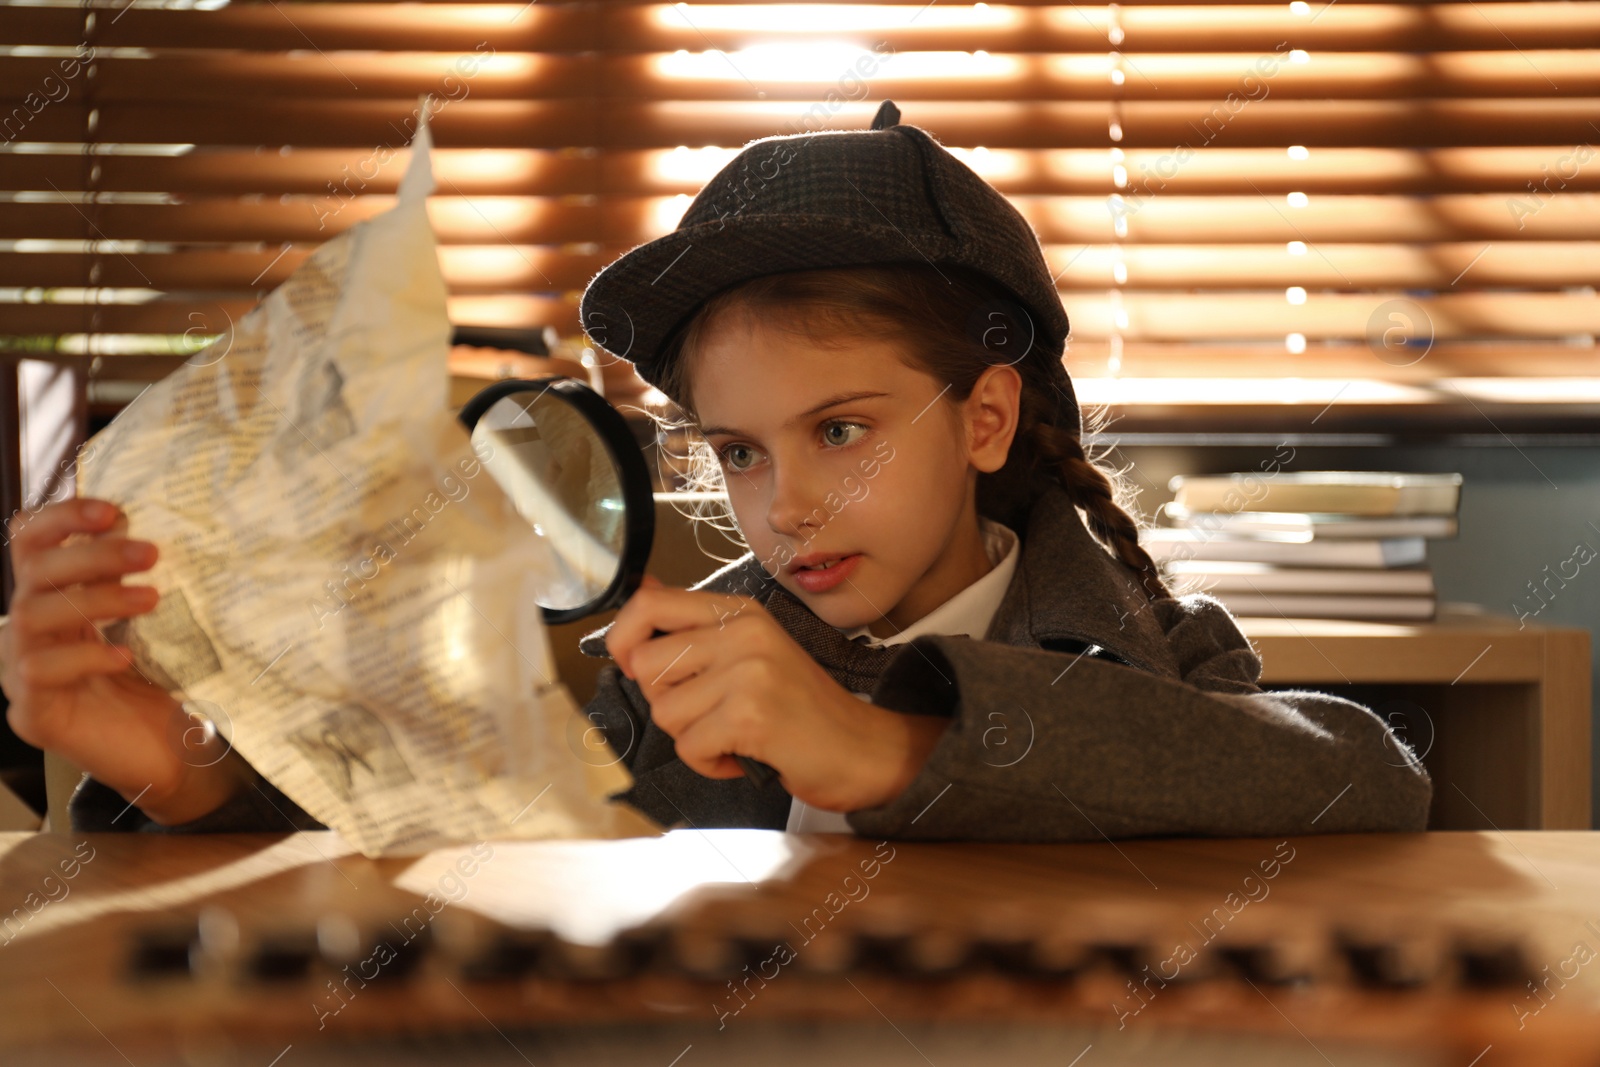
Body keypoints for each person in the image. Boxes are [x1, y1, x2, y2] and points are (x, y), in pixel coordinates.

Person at [0, 100, 1431, 839]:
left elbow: (1360, 780)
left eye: (845, 431)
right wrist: (192, 775)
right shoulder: (693, 659)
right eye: (739, 451)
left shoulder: (1145, 641)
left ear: (986, 420)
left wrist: (890, 748)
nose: (785, 504)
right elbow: (468, 885)